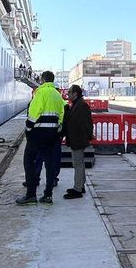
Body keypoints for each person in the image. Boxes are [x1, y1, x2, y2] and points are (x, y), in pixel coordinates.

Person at [17, 71, 66, 205]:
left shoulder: (40, 92)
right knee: (50, 164)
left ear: (43, 79)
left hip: (37, 134)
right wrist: (57, 129)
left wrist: (28, 128)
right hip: (52, 134)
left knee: (29, 161)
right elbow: (62, 113)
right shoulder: (57, 95)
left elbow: (34, 112)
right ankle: (48, 195)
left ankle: (31, 194)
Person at [60, 84, 94, 199]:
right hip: (77, 139)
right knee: (80, 163)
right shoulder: (76, 104)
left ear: (75, 94)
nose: (68, 94)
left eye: (69, 92)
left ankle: (77, 189)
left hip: (78, 139)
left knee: (77, 164)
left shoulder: (81, 106)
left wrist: (87, 136)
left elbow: (86, 123)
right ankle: (80, 186)